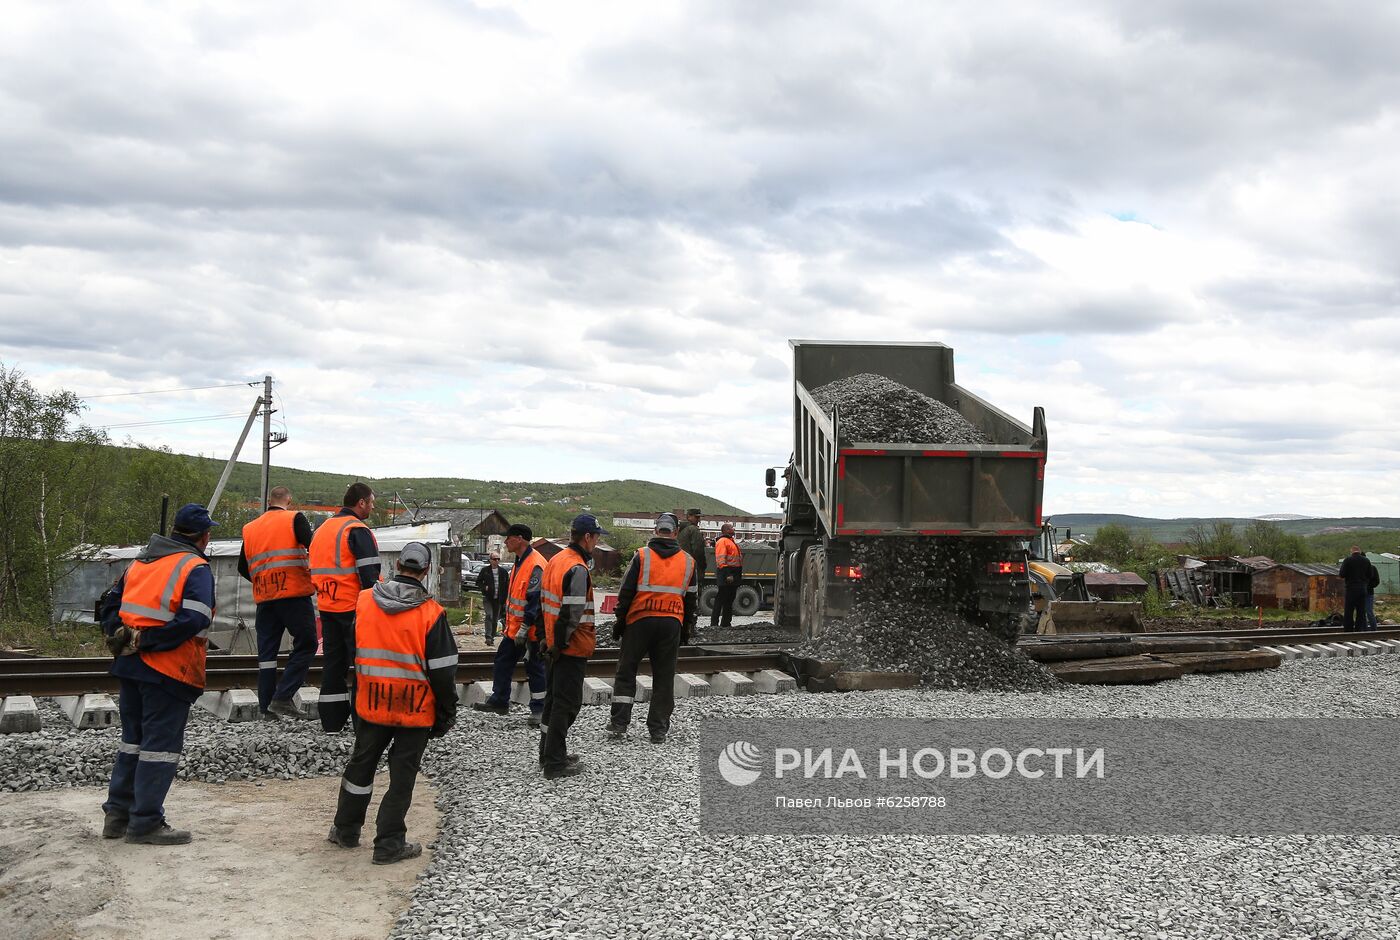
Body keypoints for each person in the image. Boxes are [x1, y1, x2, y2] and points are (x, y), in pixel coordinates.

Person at [327, 542, 458, 864]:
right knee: (402, 776)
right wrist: (446, 712)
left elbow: (351, 652)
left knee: (361, 766)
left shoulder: (364, 602)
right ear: (426, 571)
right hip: (414, 710)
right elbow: (443, 672)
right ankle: (388, 844)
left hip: (371, 703)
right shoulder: (431, 614)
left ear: (397, 565)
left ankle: (345, 830)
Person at [99, 503, 218, 846]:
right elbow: (195, 619)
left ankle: (117, 815)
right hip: (167, 669)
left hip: (130, 666)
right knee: (159, 747)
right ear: (203, 537)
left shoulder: (140, 562)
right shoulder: (194, 567)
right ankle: (146, 822)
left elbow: (109, 604)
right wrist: (149, 641)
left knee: (132, 741)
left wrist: (122, 636)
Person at [606, 513, 697, 744]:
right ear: (676, 532)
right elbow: (691, 600)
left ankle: (619, 723)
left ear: (656, 530)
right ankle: (658, 730)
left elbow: (626, 592)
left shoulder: (642, 556)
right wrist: (687, 627)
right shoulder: (688, 561)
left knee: (627, 671)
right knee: (664, 677)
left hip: (639, 620)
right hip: (671, 623)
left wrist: (619, 620)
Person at [238, 485, 316, 720]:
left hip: (265, 597)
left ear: (269, 501)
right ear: (288, 501)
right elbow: (316, 547)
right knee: (307, 643)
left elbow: (244, 566)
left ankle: (266, 708)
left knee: (267, 655)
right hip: (293, 593)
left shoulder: (250, 528)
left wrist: (264, 579)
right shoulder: (295, 519)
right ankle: (282, 697)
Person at [309, 482, 381, 732]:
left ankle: (332, 721)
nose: (372, 506)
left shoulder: (322, 529)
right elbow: (370, 576)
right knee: (364, 665)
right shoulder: (356, 529)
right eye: (371, 502)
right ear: (361, 502)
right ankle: (363, 723)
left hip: (327, 607)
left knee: (333, 666)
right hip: (353, 610)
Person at [538, 513, 606, 779]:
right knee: (567, 705)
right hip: (571, 646)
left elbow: (543, 602)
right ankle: (555, 763)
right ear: (587, 537)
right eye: (597, 537)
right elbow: (572, 611)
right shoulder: (577, 567)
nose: (597, 543)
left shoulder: (556, 560)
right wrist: (561, 643)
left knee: (553, 702)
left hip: (554, 644)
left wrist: (546, 638)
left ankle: (548, 753)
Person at [472, 525, 547, 724]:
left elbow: (535, 599)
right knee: (503, 662)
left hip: (529, 631)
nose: (506, 542)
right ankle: (499, 701)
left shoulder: (535, 564)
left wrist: (525, 626)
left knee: (535, 669)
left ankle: (540, 710)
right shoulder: (520, 562)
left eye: (509, 538)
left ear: (520, 539)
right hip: (515, 630)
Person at [675, 508, 707, 643]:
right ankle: (691, 628)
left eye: (699, 517)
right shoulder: (693, 530)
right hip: (691, 568)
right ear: (689, 516)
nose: (698, 520)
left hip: (678, 568)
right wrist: (702, 565)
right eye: (696, 517)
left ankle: (679, 627)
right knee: (692, 599)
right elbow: (698, 551)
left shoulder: (678, 530)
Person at [710, 523, 744, 631]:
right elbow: (721, 560)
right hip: (726, 573)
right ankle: (714, 624)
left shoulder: (730, 541)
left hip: (733, 573)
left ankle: (726, 623)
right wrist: (728, 574)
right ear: (726, 530)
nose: (733, 529)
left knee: (729, 599)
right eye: (731, 527)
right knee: (721, 599)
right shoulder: (722, 542)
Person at [476, 551, 509, 644]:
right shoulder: (485, 571)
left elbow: (507, 585)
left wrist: (505, 599)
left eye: (498, 559)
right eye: (494, 559)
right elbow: (478, 582)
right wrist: (484, 587)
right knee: (489, 615)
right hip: (488, 598)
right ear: (490, 560)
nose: (496, 561)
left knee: (495, 619)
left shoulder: (503, 572)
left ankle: (492, 637)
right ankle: (488, 637)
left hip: (498, 599)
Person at [1339, 546, 1371, 632]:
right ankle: (1359, 629)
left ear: (1351, 551)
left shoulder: (1347, 560)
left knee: (1349, 611)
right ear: (1359, 551)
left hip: (1351, 588)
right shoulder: (1366, 560)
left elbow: (1342, 574)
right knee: (1361, 611)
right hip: (1362, 589)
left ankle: (1348, 630)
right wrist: (1364, 583)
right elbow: (1370, 575)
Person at [1367, 554, 1381, 631]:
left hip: (1369, 593)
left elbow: (1376, 581)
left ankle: (1373, 629)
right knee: (1363, 612)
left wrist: (1369, 587)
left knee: (1369, 611)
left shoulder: (1372, 568)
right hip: (1362, 592)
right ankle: (1364, 628)